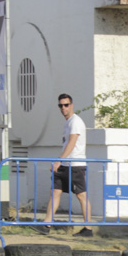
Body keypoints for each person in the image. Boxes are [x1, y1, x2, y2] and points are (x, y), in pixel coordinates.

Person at [35, 94, 93, 237]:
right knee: (55, 192)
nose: (63, 108)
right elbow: (67, 144)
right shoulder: (67, 123)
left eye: (66, 105)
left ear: (72, 105)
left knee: (81, 196)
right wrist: (60, 161)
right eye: (61, 105)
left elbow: (72, 143)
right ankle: (46, 224)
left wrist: (58, 160)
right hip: (65, 164)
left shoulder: (75, 122)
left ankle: (88, 228)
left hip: (75, 164)